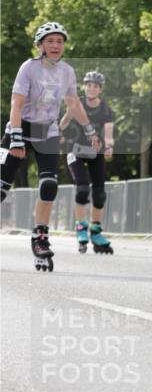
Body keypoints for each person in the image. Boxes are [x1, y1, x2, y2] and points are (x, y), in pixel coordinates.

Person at [0, 23, 101, 271]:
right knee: (1, 190)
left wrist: (89, 130)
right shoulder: (29, 68)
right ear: (41, 45)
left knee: (49, 185)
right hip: (20, 128)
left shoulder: (67, 72)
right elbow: (16, 104)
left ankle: (40, 239)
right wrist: (15, 138)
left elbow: (73, 104)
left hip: (47, 133)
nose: (56, 45)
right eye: (50, 41)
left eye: (59, 41)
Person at [59, 70, 115, 254]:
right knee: (83, 189)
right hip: (75, 151)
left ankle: (96, 231)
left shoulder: (106, 109)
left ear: (100, 89)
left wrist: (109, 146)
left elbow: (108, 134)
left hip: (95, 153)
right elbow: (65, 121)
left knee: (99, 194)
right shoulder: (77, 104)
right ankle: (81, 228)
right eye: (89, 85)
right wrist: (57, 132)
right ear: (84, 87)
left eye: (95, 86)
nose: (91, 88)